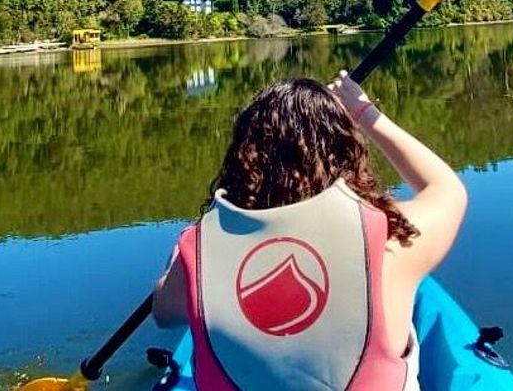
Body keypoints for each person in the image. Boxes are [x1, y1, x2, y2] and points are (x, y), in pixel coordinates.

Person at [152, 72, 468, 390]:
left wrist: (181, 254)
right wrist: (364, 113)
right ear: (345, 152)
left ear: (243, 158)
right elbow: (446, 189)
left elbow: (163, 313)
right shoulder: (388, 241)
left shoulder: (201, 249)